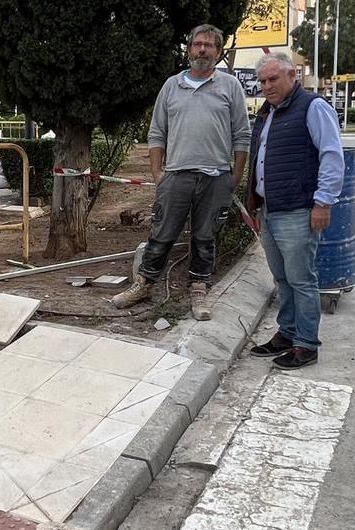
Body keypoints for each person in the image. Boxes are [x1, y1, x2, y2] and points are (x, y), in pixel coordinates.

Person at [112, 23, 251, 320]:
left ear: (219, 52)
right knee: (161, 234)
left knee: (204, 237)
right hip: (175, 176)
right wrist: (157, 174)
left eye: (209, 45)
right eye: (197, 44)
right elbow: (156, 133)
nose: (202, 50)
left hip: (215, 177)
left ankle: (199, 289)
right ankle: (145, 283)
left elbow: (242, 135)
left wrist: (233, 178)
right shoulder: (171, 86)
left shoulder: (230, 87)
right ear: (188, 49)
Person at [245, 53, 344, 369]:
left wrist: (323, 202)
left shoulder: (313, 107)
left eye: (273, 79)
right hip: (270, 211)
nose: (267, 86)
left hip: (299, 210)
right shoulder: (267, 113)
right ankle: (287, 334)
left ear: (292, 75)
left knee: (302, 280)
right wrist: (256, 206)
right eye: (262, 81)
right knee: (282, 279)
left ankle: (306, 344)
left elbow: (331, 155)